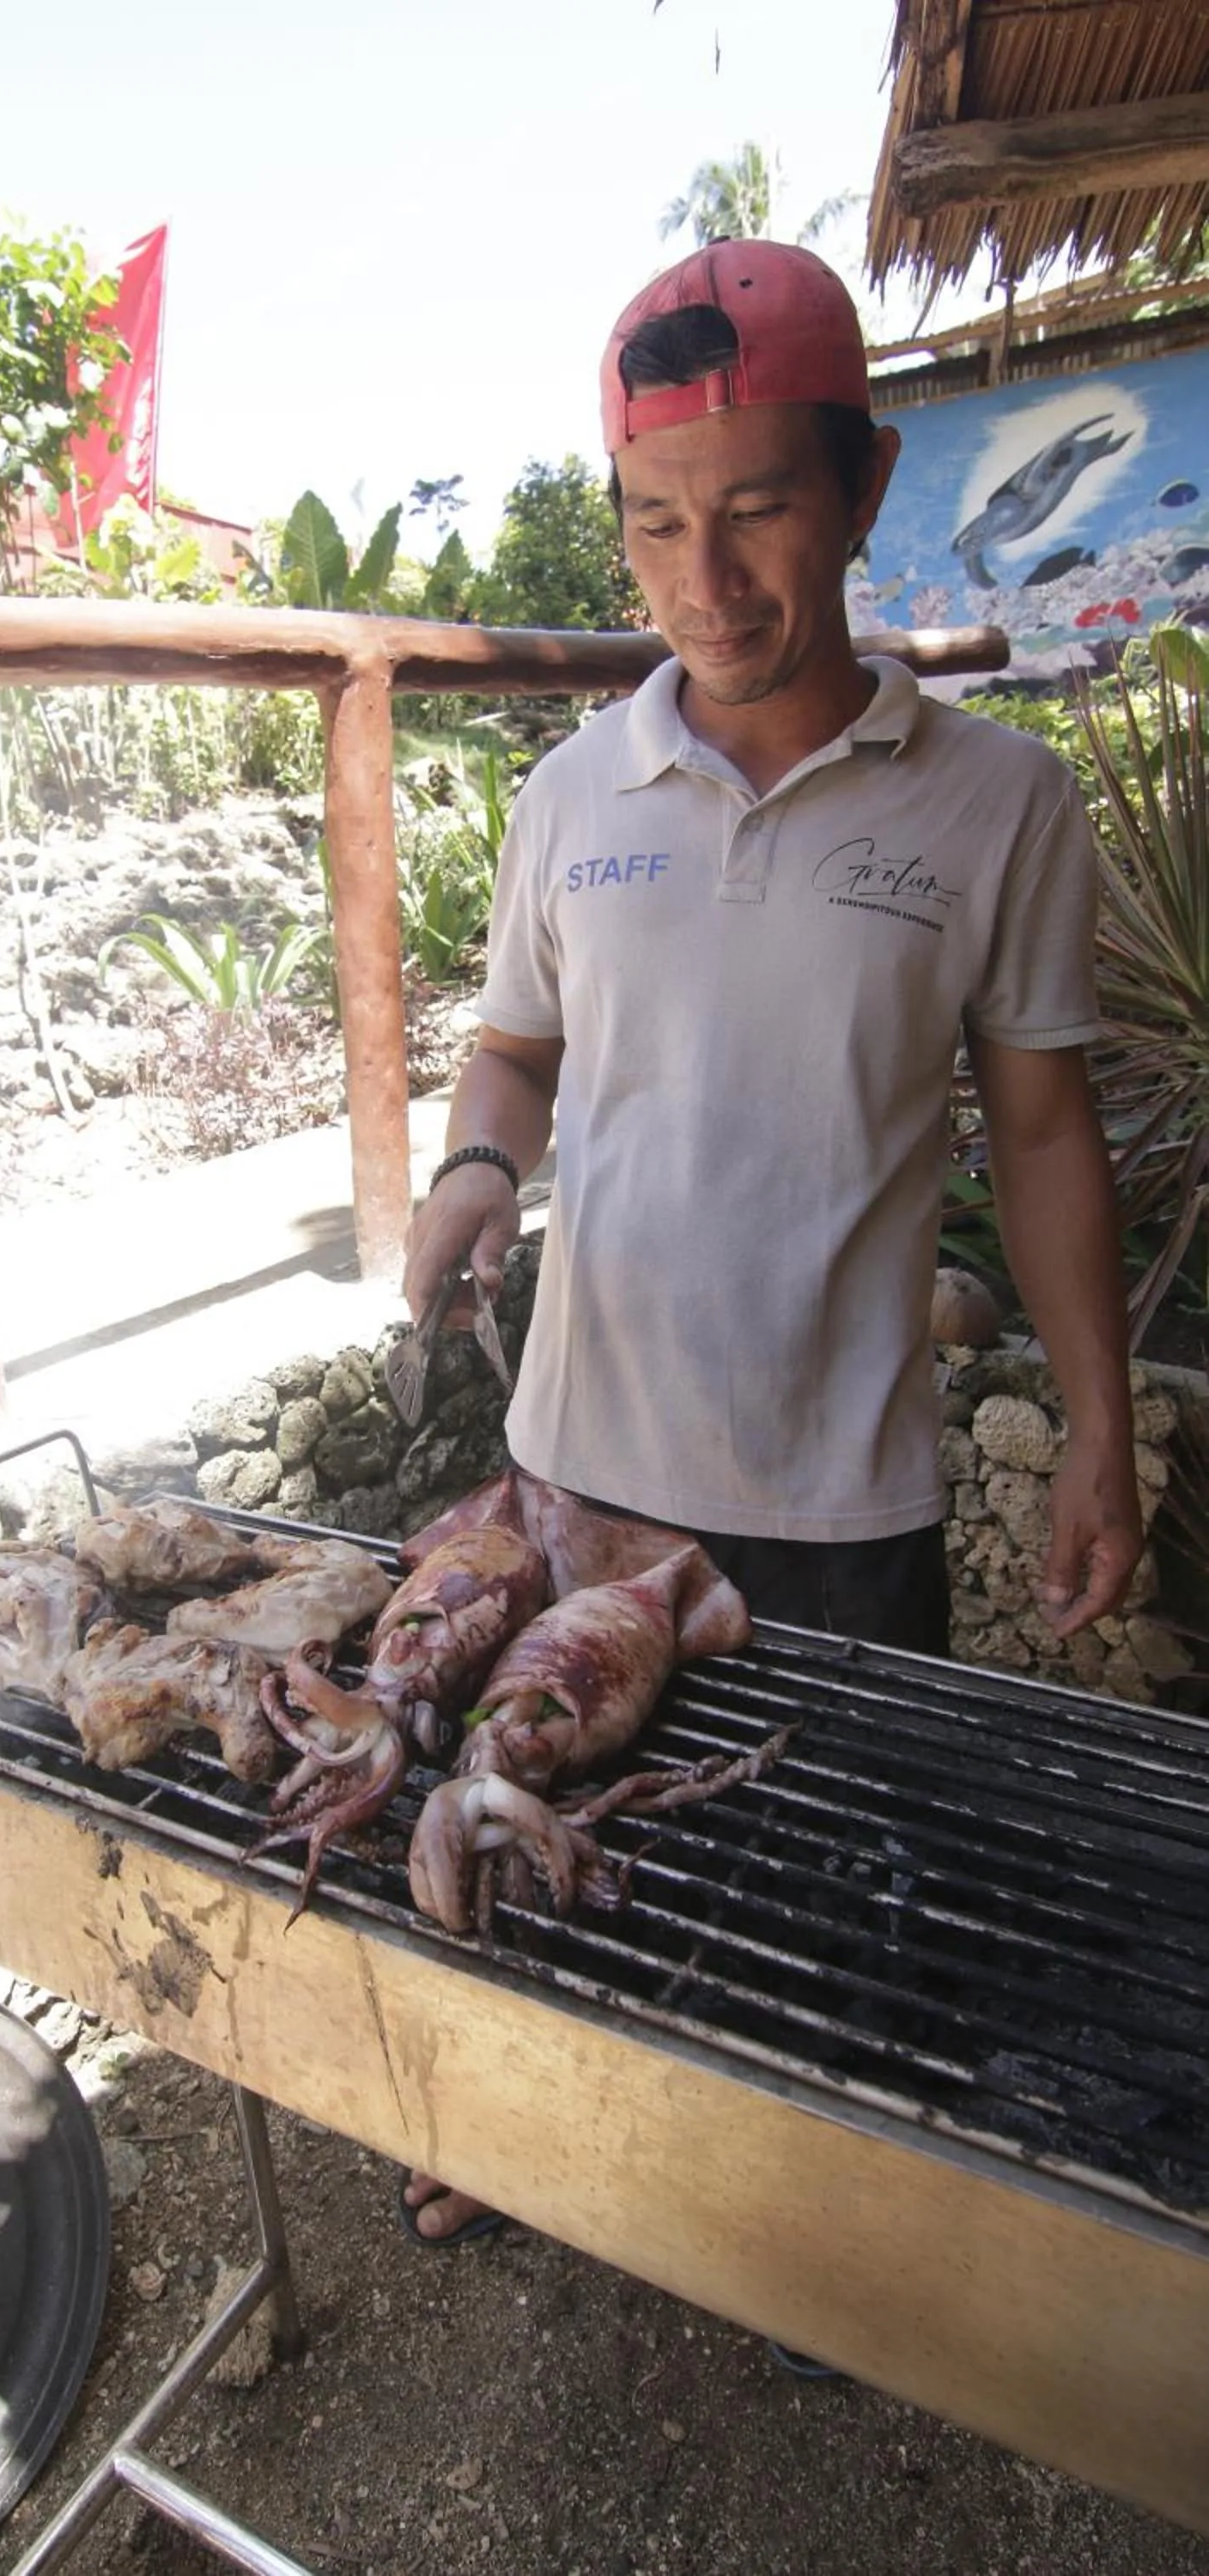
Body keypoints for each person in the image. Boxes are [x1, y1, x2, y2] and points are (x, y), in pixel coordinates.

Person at [399, 238, 1142, 2249]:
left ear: (861, 487)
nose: (701, 583)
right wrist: (476, 1169)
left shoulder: (997, 806)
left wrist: (1095, 1429)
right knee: (528, 1812)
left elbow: (1046, 1128)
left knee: (828, 1879)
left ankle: (809, 2235)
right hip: (579, 1473)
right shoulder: (570, 797)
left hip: (836, 1494)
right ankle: (543, 2137)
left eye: (752, 513)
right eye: (653, 526)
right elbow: (511, 1053)